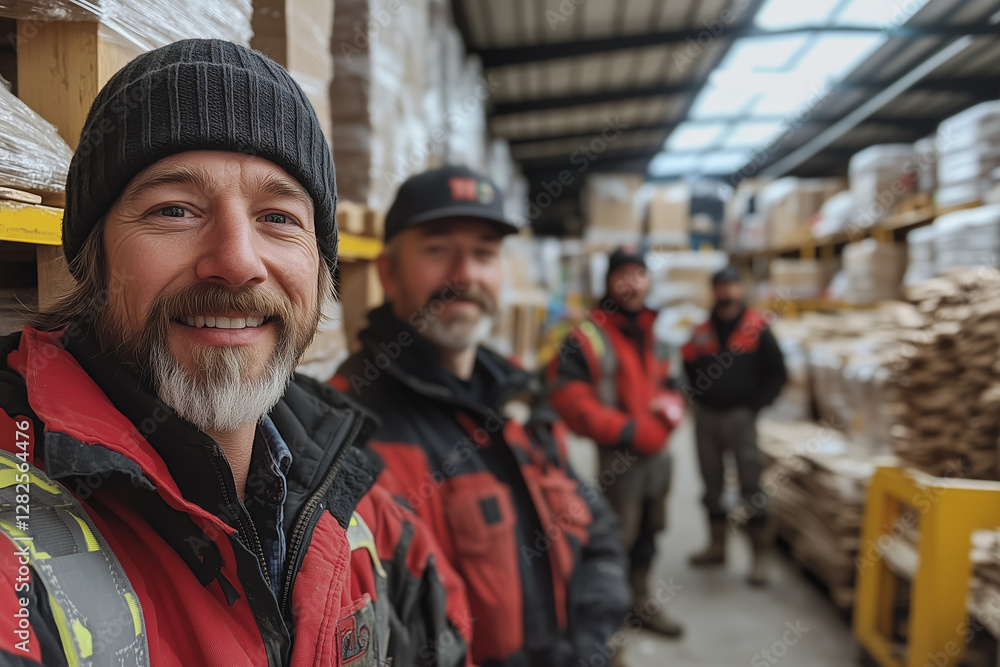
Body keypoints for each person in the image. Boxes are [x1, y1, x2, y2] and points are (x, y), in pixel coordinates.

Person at [0, 39, 473, 667]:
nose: (237, 262)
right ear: (93, 259)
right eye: (175, 210)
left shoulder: (359, 504)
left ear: (320, 269)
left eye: (278, 217)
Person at [331, 165, 630, 667]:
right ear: (388, 272)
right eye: (437, 249)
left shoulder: (523, 398)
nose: (464, 275)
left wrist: (589, 643)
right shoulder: (350, 429)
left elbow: (595, 529)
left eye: (484, 253)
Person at [546, 246, 685, 638]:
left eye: (639, 273)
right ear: (608, 282)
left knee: (649, 531)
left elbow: (676, 384)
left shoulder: (658, 331)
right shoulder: (586, 335)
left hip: (659, 453)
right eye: (622, 274)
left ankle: (639, 602)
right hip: (619, 456)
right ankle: (606, 620)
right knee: (612, 537)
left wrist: (670, 417)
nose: (632, 282)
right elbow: (568, 397)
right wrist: (629, 430)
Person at [681, 266, 787, 586]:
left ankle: (760, 558)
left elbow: (778, 372)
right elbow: (687, 366)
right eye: (720, 287)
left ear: (740, 289)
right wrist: (696, 399)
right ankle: (717, 547)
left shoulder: (756, 328)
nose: (726, 293)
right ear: (713, 291)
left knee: (751, 486)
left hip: (741, 419)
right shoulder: (700, 330)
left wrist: (755, 406)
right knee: (711, 486)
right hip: (707, 419)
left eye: (731, 286)